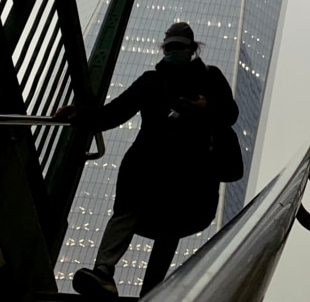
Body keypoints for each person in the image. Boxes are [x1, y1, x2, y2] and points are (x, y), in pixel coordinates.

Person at [55, 22, 238, 298]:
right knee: (128, 211)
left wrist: (206, 107)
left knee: (170, 225)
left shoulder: (210, 78)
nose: (173, 51)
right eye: (170, 47)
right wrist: (79, 114)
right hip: (146, 168)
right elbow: (113, 113)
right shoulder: (151, 81)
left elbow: (230, 114)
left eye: (179, 46)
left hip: (191, 174)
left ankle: (150, 292)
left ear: (192, 49)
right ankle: (103, 272)